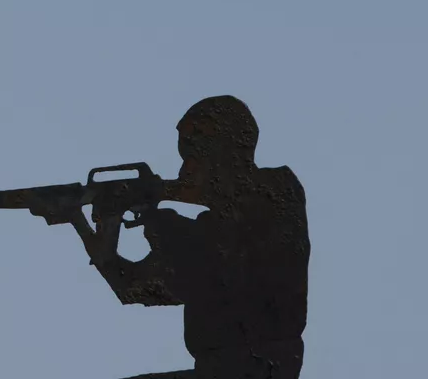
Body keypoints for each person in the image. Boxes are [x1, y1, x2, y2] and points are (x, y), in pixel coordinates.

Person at [67, 95, 310, 379]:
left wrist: (156, 215)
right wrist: (92, 227)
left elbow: (212, 252)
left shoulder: (278, 192)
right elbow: (135, 289)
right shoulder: (215, 224)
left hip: (257, 368)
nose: (187, 165)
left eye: (198, 149)